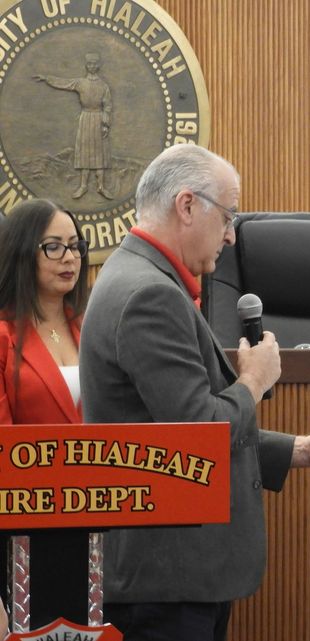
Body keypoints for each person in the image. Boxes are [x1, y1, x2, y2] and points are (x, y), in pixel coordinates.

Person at [79, 144, 310, 641]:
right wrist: (254, 379)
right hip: (165, 576)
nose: (231, 235)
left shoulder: (141, 276)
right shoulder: (150, 293)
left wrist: (301, 451)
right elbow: (199, 430)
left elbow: (163, 428)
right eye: (228, 216)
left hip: (169, 573)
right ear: (187, 206)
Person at [0, 199, 91, 628]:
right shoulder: (2, 335)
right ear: (22, 252)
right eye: (53, 247)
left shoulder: (91, 327)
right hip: (25, 526)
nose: (70, 257)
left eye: (75, 245)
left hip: (98, 515)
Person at [34, 52, 114, 199]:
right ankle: (83, 186)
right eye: (89, 64)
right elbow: (64, 83)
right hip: (85, 119)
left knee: (99, 153)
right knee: (84, 152)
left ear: (98, 66)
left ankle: (101, 186)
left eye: (94, 64)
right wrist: (47, 79)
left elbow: (107, 105)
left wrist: (105, 124)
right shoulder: (80, 83)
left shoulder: (104, 86)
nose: (92, 66)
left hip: (98, 119)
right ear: (86, 65)